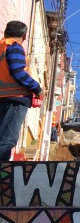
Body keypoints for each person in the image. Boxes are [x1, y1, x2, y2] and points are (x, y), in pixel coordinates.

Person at [0, 21, 43, 161]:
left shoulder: (2, 46)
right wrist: (37, 88)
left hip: (3, 98)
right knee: (7, 141)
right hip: (14, 98)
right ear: (24, 35)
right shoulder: (14, 46)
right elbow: (17, 72)